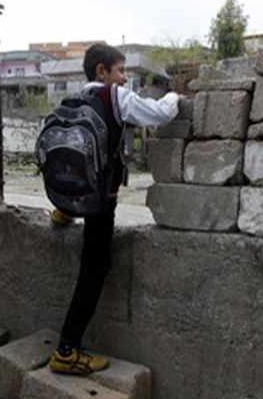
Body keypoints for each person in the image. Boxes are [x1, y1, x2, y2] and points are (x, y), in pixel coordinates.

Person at [48, 44, 180, 375]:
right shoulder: (115, 97)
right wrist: (175, 97)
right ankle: (66, 350)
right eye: (120, 71)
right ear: (102, 72)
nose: (124, 79)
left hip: (74, 196)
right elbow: (159, 114)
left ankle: (64, 210)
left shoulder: (73, 99)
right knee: (95, 269)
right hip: (99, 204)